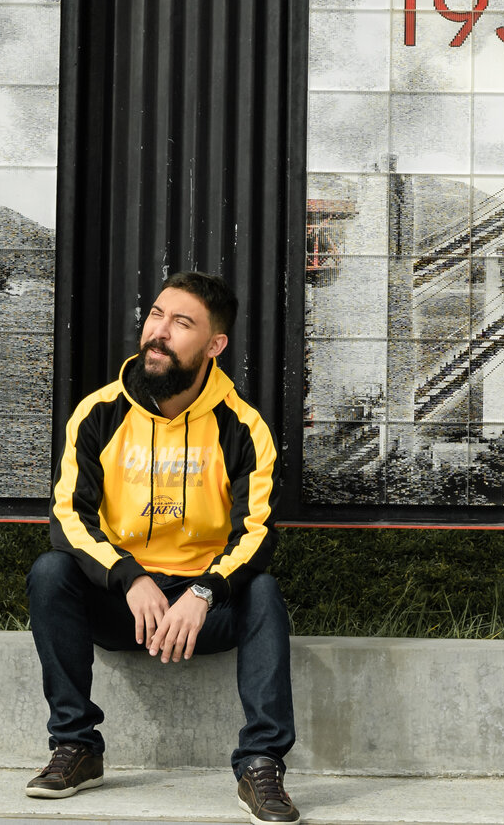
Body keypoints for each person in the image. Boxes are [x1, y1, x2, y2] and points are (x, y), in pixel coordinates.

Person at [25, 271, 299, 823]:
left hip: (203, 609)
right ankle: (76, 746)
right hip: (124, 604)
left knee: (264, 593)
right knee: (50, 572)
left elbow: (257, 533)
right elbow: (69, 519)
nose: (158, 331)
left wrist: (203, 590)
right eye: (156, 315)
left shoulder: (243, 428)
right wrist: (129, 578)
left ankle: (261, 764)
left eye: (181, 323)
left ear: (214, 345)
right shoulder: (98, 414)